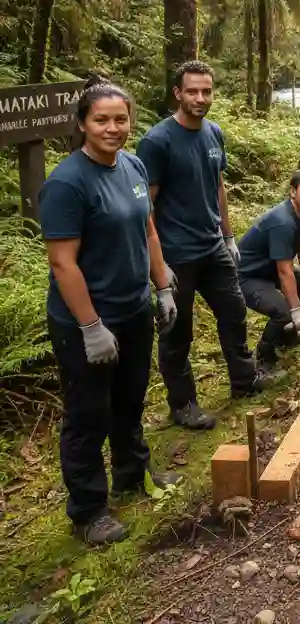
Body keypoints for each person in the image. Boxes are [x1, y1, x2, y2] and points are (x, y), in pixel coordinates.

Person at [40, 78, 181, 545]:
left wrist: (163, 286)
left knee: (130, 397)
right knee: (88, 414)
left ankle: (131, 474)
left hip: (133, 308)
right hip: (87, 319)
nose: (112, 128)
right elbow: (63, 263)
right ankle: (88, 510)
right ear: (82, 123)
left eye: (120, 119)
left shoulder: (133, 165)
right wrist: (90, 326)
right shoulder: (67, 183)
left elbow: (149, 231)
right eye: (101, 119)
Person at [136, 61, 259, 431]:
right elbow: (145, 207)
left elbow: (218, 186)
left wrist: (228, 235)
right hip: (176, 253)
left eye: (206, 91)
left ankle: (244, 379)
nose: (200, 98)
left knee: (234, 311)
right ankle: (183, 404)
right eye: (192, 91)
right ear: (178, 93)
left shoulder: (213, 133)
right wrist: (157, 265)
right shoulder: (157, 142)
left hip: (213, 246)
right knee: (177, 332)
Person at [237, 169, 300, 369]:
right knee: (283, 312)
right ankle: (264, 359)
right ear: (293, 192)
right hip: (248, 276)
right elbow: (285, 270)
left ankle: (289, 336)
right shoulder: (282, 222)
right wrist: (296, 310)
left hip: (269, 268)